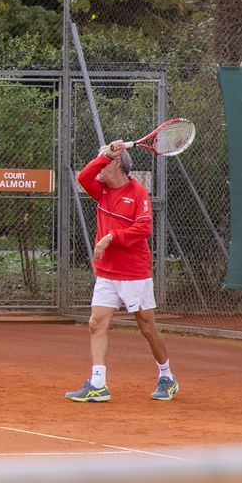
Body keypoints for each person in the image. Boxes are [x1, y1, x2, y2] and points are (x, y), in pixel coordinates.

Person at [66, 140, 176, 402]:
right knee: (96, 323)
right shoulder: (101, 190)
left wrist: (111, 237)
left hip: (133, 272)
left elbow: (144, 228)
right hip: (106, 272)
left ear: (116, 165)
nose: (99, 167)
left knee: (146, 327)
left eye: (104, 162)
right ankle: (98, 383)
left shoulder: (138, 193)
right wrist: (106, 155)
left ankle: (167, 377)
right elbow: (83, 176)